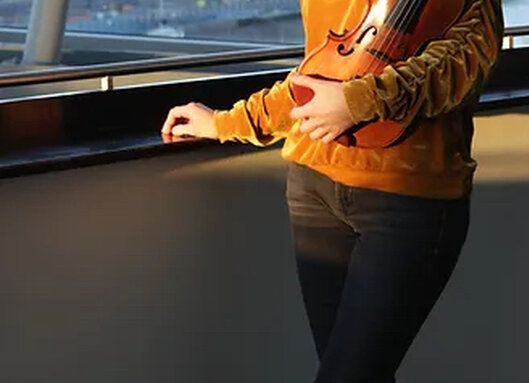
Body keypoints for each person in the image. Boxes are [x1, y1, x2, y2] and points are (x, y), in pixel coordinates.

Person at [161, 0, 504, 381]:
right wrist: (226, 123)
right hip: (313, 190)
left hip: (407, 201)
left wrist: (361, 102)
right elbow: (314, 76)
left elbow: (460, 64)